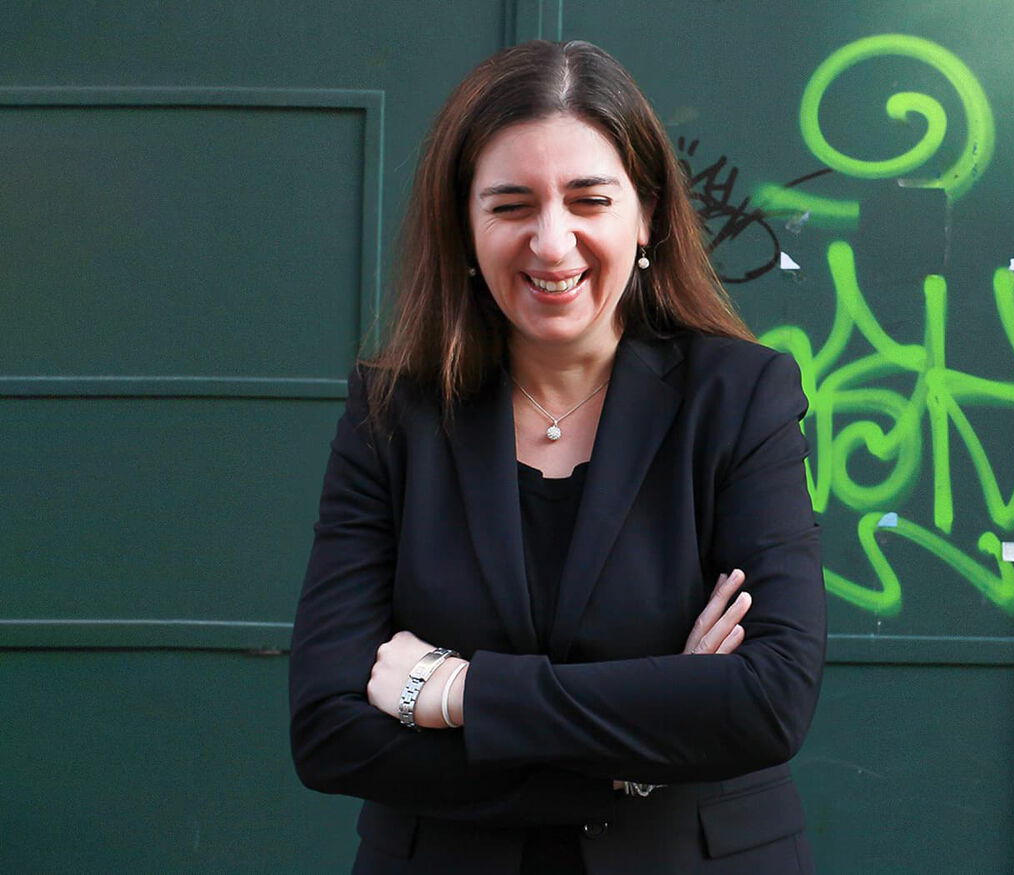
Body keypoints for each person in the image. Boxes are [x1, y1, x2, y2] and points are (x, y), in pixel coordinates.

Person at [288, 39, 825, 874]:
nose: (551, 241)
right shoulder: (392, 414)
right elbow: (329, 729)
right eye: (511, 205)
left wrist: (463, 691)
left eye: (588, 199)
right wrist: (643, 755)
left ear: (645, 215)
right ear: (464, 225)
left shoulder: (740, 397)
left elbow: (768, 698)